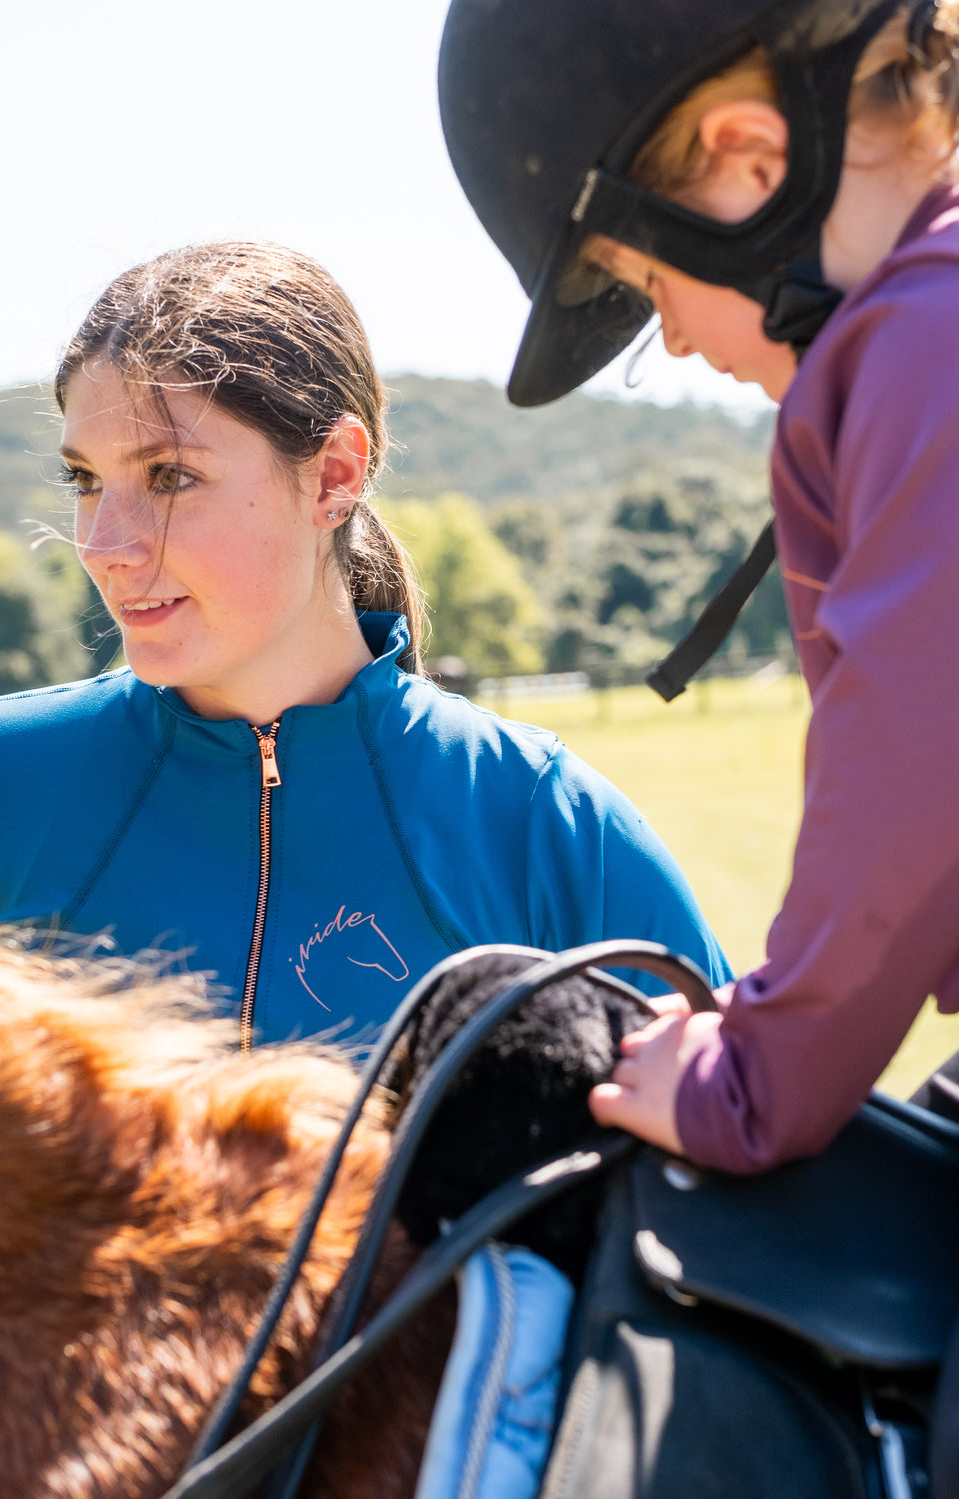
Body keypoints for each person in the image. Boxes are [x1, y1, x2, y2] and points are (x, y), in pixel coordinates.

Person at [0, 240, 728, 1050]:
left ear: (334, 475)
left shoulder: (540, 819)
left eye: (168, 477)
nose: (105, 544)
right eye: (84, 480)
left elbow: (741, 1142)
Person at [439, 0, 959, 1168]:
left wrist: (751, 1075)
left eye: (645, 279)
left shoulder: (924, 345)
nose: (670, 340)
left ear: (748, 161)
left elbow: (924, 767)